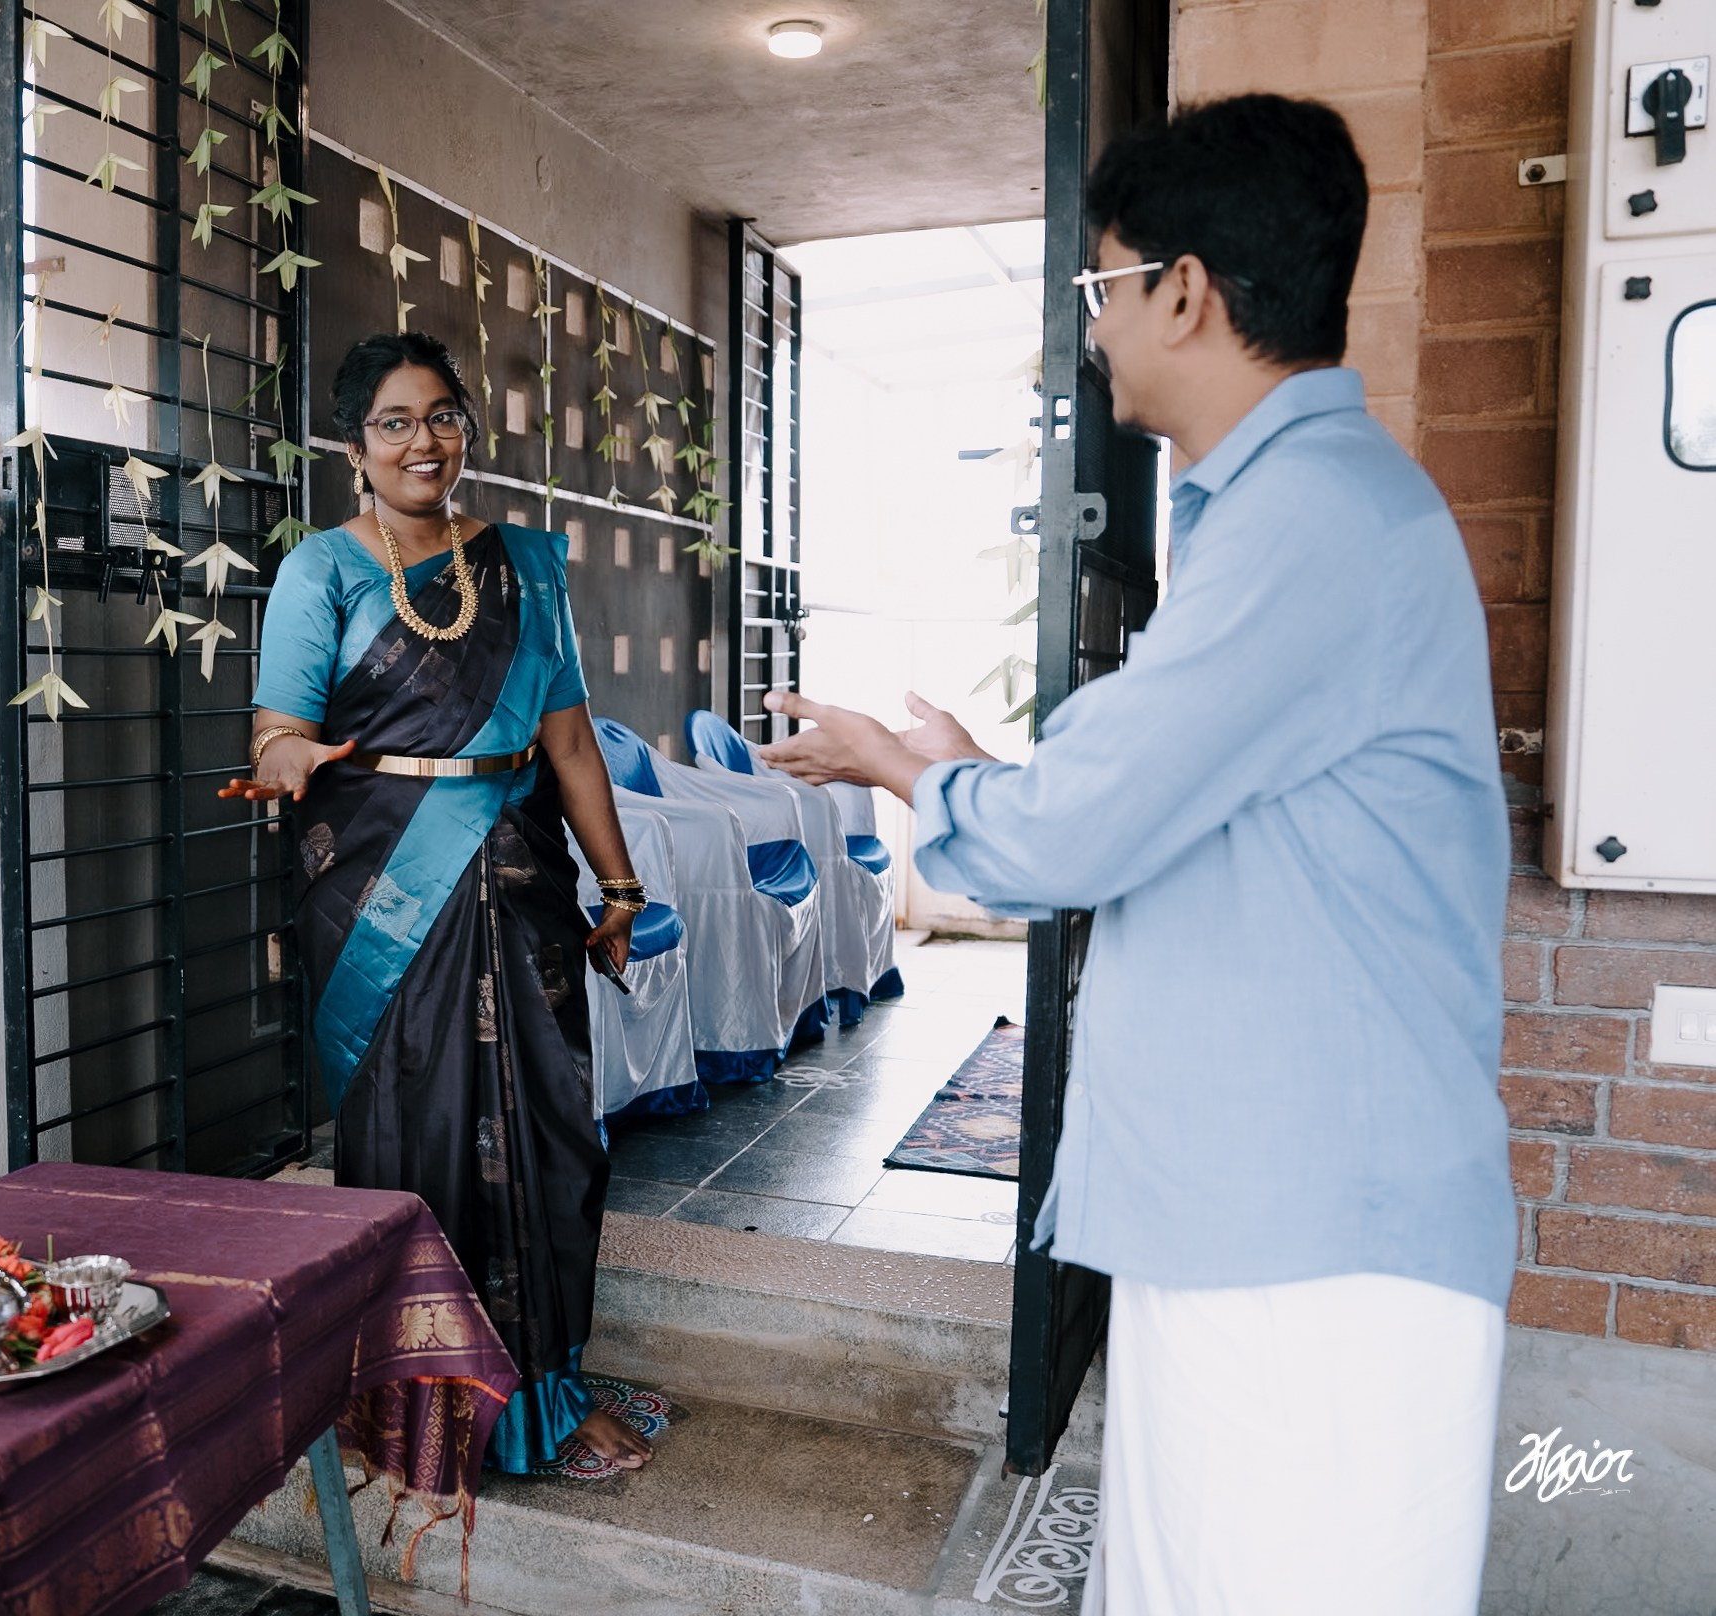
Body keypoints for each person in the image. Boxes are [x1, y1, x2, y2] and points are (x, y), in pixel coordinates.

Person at [759, 94, 1513, 1616]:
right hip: (1261, 1212)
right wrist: (978, 777)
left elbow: (1076, 830)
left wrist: (907, 770)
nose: (1090, 329)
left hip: (1309, 1238)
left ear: (1185, 289)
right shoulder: (1291, 515)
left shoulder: (1307, 519)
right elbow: (1150, 787)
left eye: (1099, 287)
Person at [220, 331, 652, 1472]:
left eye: (443, 415)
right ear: (357, 446)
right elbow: (275, 726)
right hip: (382, 889)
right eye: (397, 421)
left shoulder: (526, 566)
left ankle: (541, 1394)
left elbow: (566, 735)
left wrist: (616, 882)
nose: (426, 439)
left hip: (519, 871)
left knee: (553, 1130)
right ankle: (425, 1400)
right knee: (421, 1139)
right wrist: (287, 755)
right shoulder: (324, 566)